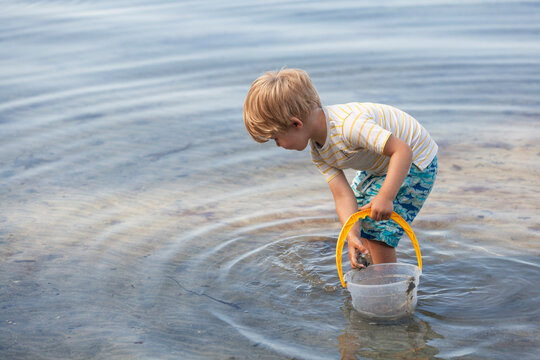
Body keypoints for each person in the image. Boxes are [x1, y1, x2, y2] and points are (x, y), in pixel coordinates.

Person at [243, 68, 438, 269]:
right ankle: (372, 268)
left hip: (415, 160)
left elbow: (402, 150)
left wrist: (386, 197)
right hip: (380, 164)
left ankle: (387, 284)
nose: (277, 145)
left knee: (378, 228)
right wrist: (351, 234)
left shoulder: (349, 126)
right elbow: (343, 196)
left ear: (296, 123)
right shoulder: (319, 152)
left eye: (276, 138)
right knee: (360, 219)